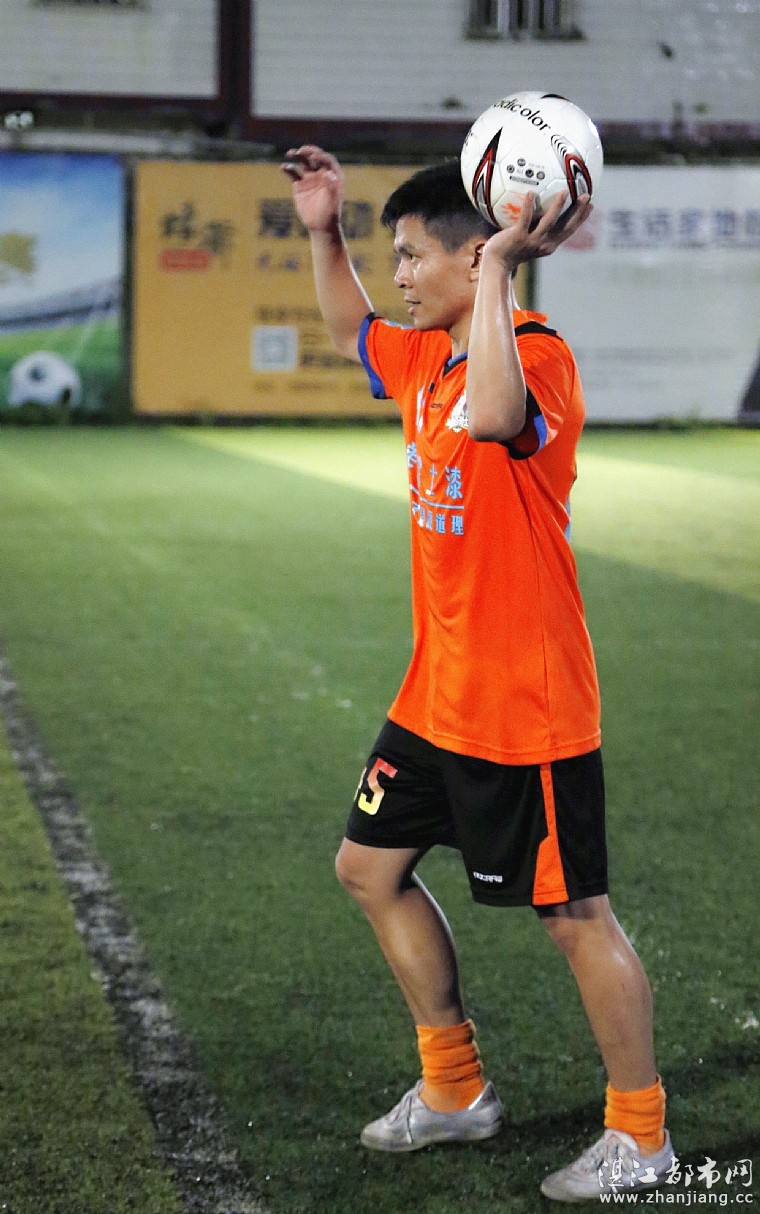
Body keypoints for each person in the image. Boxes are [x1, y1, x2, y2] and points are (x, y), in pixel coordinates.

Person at [282, 145, 676, 1202]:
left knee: (574, 916)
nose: (399, 276)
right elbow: (349, 331)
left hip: (526, 704)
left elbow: (498, 417)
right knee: (367, 867)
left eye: (414, 256)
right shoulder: (424, 356)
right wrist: (323, 231)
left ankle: (641, 1134)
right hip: (437, 693)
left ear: (474, 258)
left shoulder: (537, 357)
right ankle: (454, 1086)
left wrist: (504, 271)